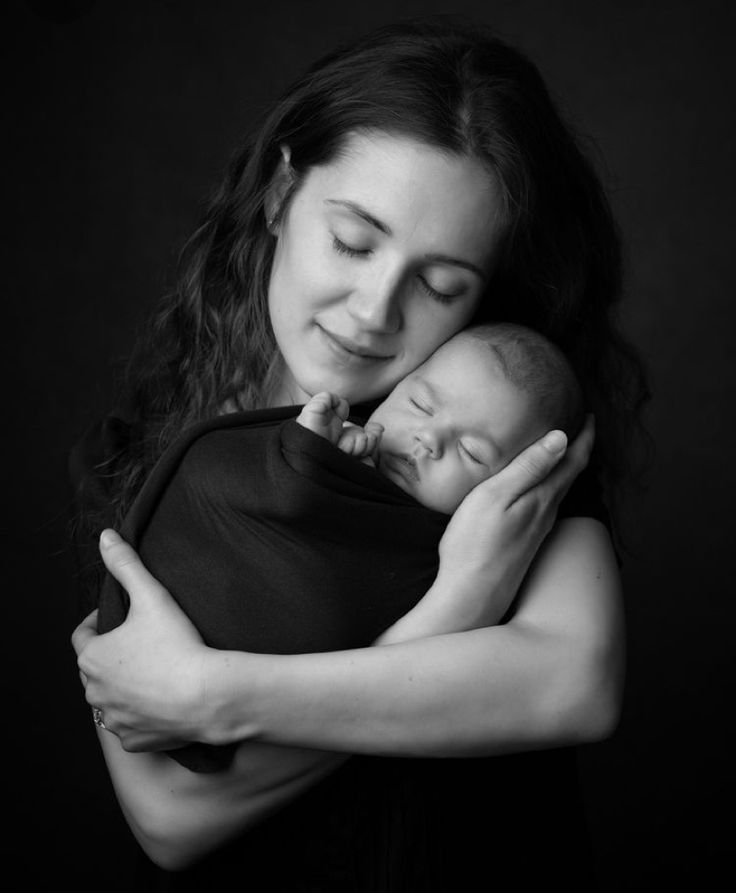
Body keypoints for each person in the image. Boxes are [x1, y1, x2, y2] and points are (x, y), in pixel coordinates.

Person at [70, 16, 646, 891]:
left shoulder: (486, 437)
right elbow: (169, 818)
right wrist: (457, 606)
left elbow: (572, 683)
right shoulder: (159, 444)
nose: (376, 311)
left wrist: (211, 692)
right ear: (278, 191)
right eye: (353, 240)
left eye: (441, 284)